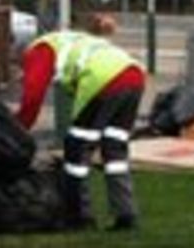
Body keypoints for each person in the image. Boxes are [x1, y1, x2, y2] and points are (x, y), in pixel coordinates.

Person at [16, 13, 144, 232]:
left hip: (103, 80)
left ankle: (79, 217)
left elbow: (32, 97)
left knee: (77, 149)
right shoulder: (71, 40)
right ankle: (126, 215)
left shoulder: (40, 50)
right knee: (115, 152)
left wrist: (16, 131)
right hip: (134, 77)